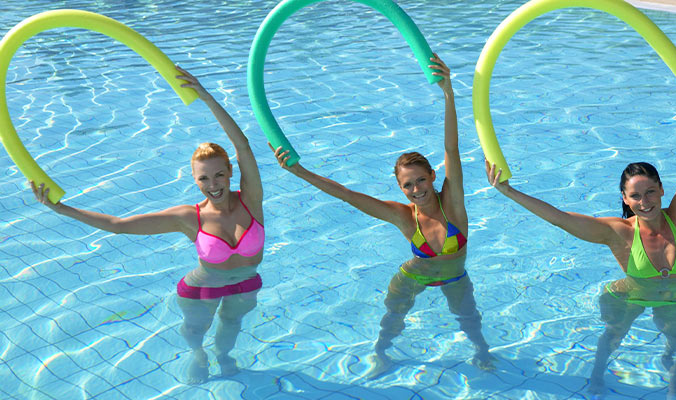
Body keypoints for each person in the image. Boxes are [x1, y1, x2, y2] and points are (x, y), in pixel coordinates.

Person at [485, 61, 676, 395]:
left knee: (674, 339)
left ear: (662, 189)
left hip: (674, 299)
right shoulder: (618, 232)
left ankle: (670, 364)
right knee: (612, 337)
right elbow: (559, 218)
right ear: (625, 198)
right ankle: (596, 375)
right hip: (631, 295)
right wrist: (508, 191)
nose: (645, 201)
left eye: (651, 192)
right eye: (635, 196)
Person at [31, 67, 264, 384]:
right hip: (202, 289)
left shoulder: (251, 200)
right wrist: (61, 209)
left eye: (219, 174)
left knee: (231, 325)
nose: (213, 184)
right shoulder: (188, 217)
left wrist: (206, 96)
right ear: (195, 181)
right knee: (196, 332)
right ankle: (198, 355)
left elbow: (244, 146)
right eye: (204, 178)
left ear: (230, 173)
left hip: (246, 283)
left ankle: (223, 356)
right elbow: (118, 225)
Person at [272, 54, 494, 378]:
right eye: (407, 185)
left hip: (455, 276)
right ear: (400, 188)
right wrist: (299, 171)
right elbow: (347, 195)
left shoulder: (453, 204)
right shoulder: (403, 216)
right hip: (414, 275)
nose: (416, 189)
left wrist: (448, 92)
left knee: (470, 320)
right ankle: (380, 355)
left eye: (420, 179)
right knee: (392, 320)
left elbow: (452, 149)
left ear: (433, 176)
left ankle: (483, 353)